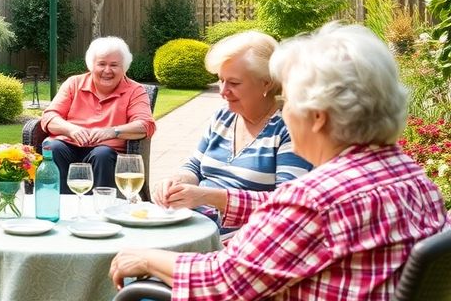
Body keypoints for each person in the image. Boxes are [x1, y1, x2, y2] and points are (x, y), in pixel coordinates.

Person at [110, 23, 449, 299]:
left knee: (137, 294)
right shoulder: (415, 179)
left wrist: (142, 256)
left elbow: (222, 282)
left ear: (316, 116)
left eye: (289, 101)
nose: (284, 111)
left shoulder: (314, 200)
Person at [151, 31, 311, 230]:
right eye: (221, 80)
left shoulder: (288, 129)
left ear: (266, 83)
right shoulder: (223, 117)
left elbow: (286, 206)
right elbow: (194, 166)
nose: (222, 91)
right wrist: (175, 182)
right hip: (194, 226)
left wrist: (209, 197)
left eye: (234, 83)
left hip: (241, 241)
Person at [39, 37, 156, 194]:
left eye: (114, 65)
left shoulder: (135, 90)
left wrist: (112, 131)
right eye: (101, 64)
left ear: (124, 68)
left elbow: (145, 125)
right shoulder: (74, 83)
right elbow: (49, 117)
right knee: (53, 148)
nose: (107, 70)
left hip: (106, 151)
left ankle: (101, 209)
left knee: (102, 154)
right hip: (68, 145)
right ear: (91, 66)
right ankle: (60, 207)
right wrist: (70, 129)